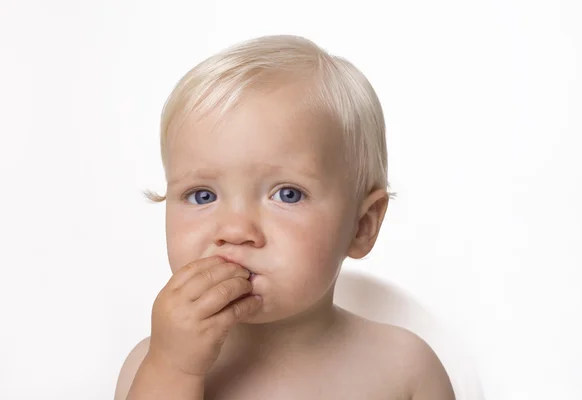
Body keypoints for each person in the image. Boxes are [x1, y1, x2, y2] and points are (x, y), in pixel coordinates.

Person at [114, 34, 455, 400]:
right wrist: (174, 370)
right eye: (203, 195)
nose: (235, 230)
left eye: (287, 195)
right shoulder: (153, 367)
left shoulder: (403, 369)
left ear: (362, 225)